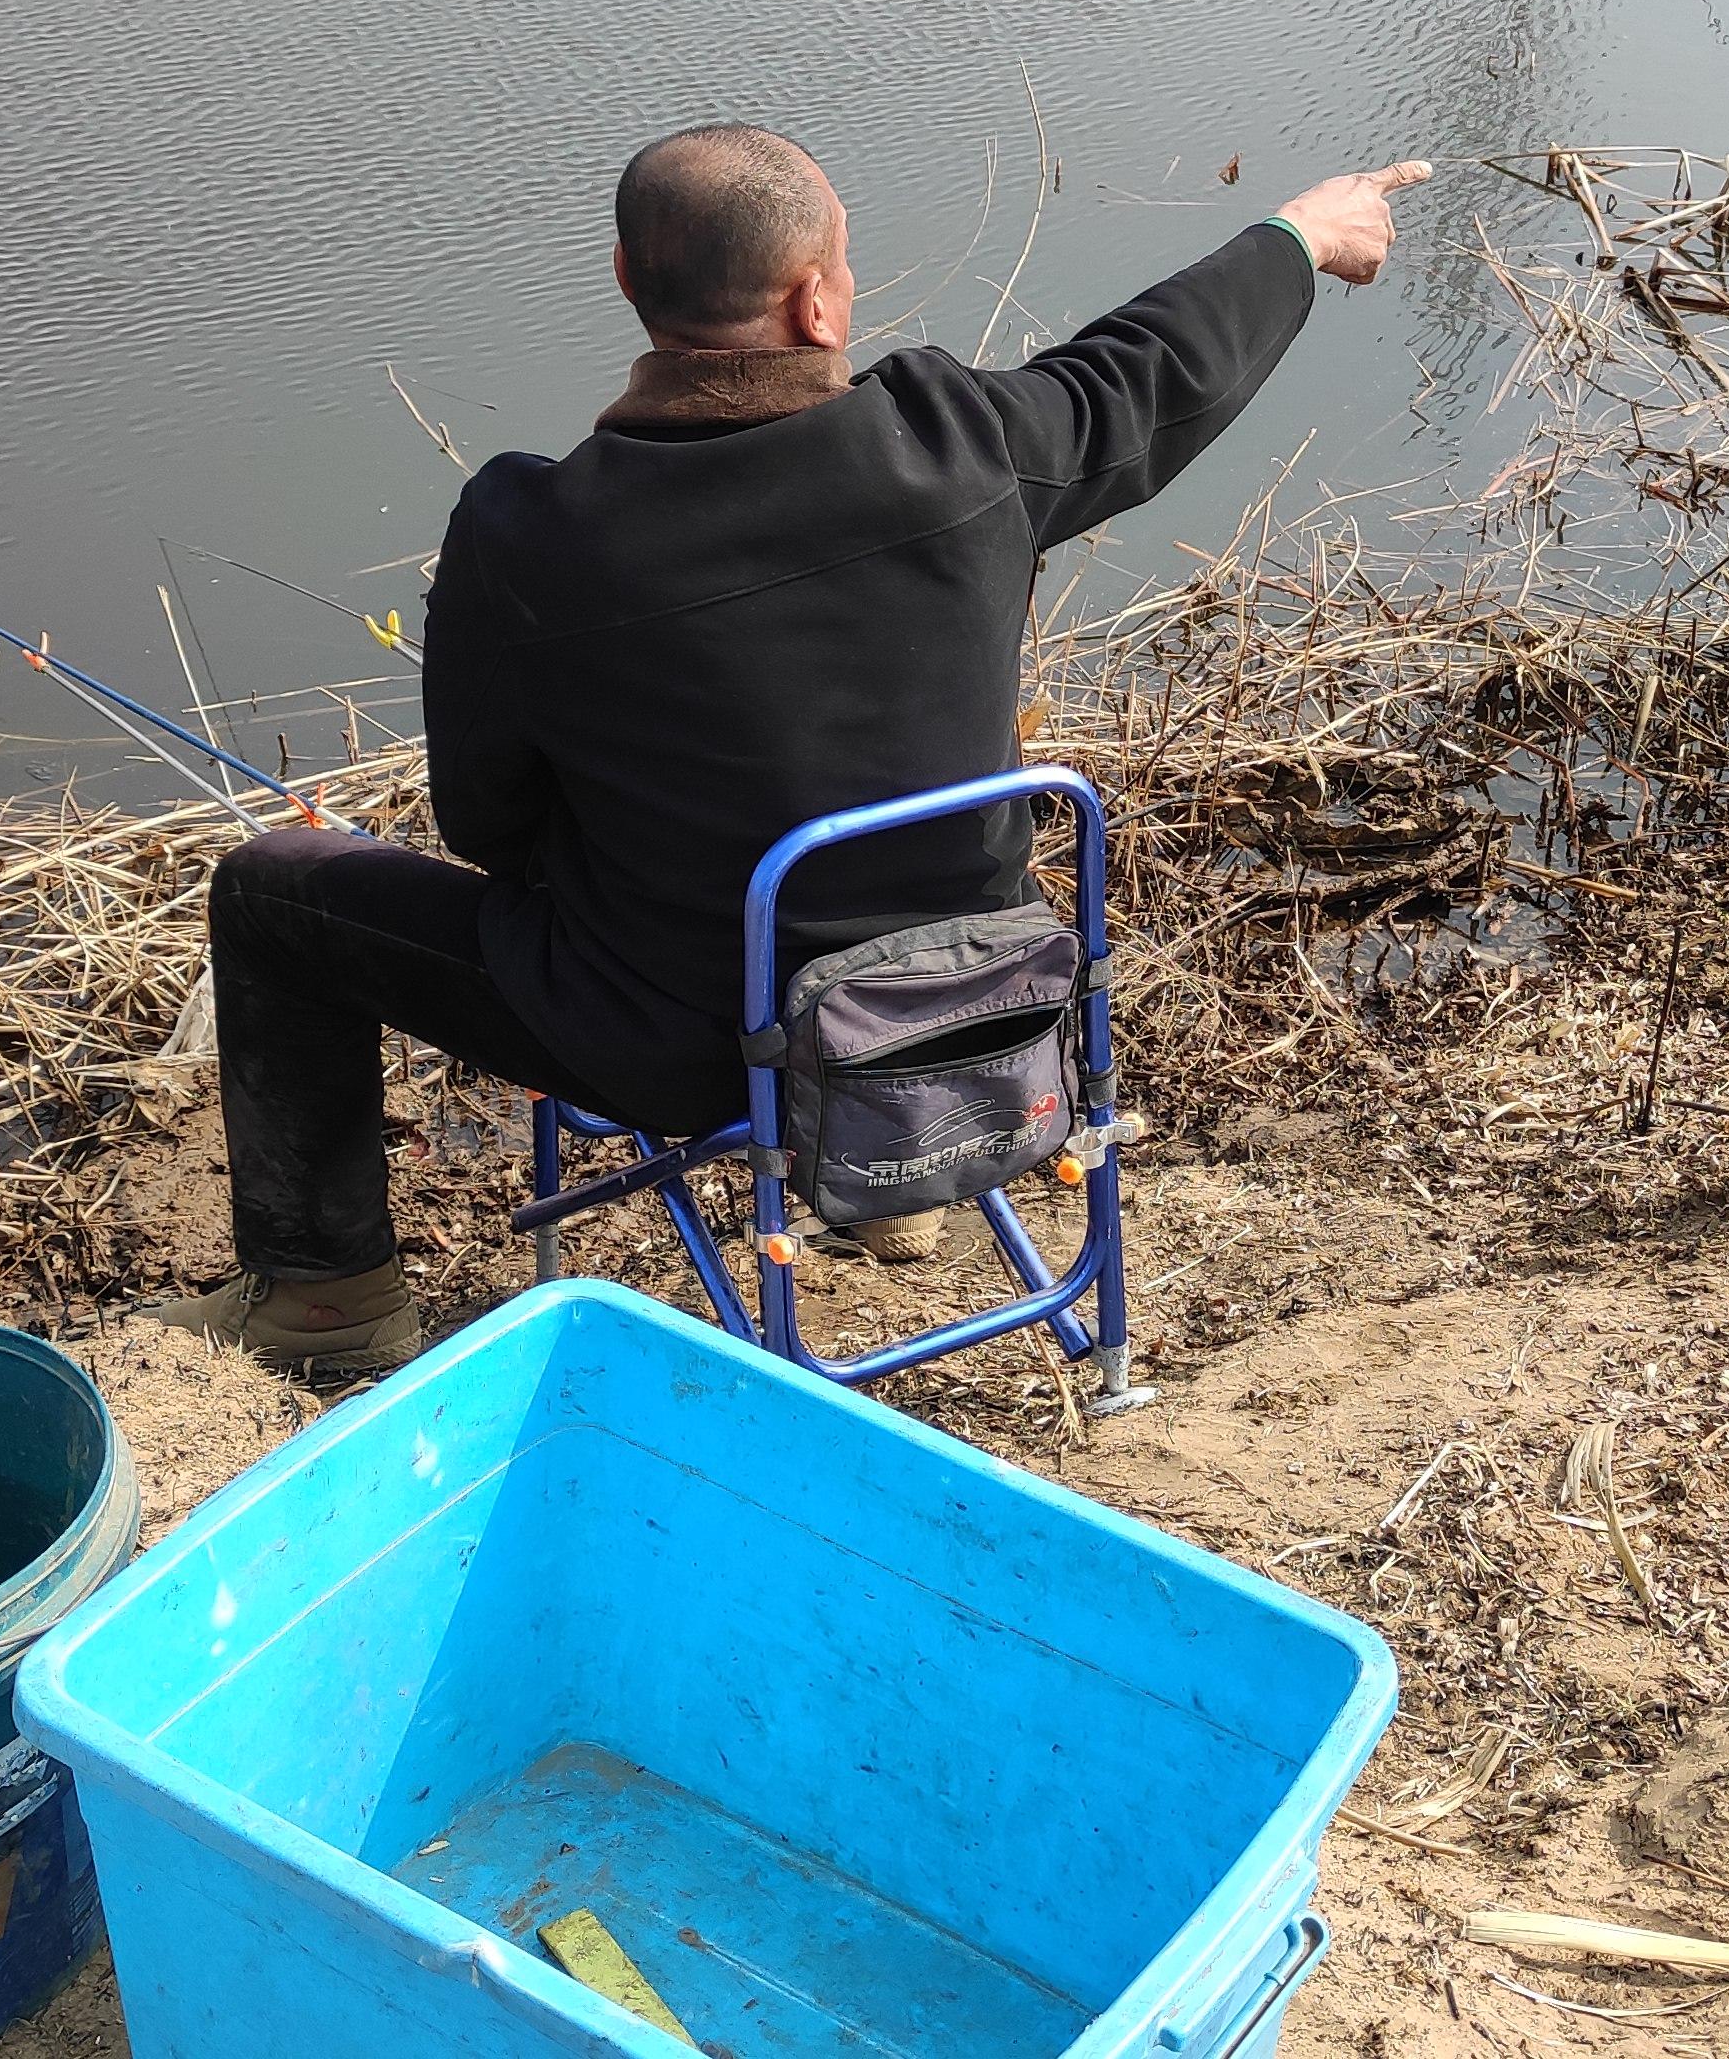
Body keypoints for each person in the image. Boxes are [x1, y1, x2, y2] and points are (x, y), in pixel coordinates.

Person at [162, 127, 1431, 1375]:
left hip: (678, 1049)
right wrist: (1298, 236)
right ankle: (897, 1176)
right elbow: (1143, 374)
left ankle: (326, 1302)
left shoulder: (530, 530)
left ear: (626, 285)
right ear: (817, 299)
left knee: (275, 889)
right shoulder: (960, 444)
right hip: (980, 1009)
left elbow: (485, 823)